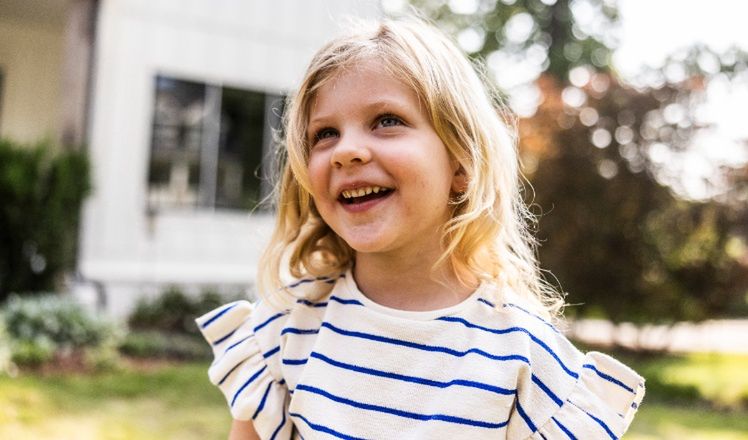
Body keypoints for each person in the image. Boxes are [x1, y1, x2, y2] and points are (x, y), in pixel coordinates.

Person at [196, 17, 645, 440]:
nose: (346, 150)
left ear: (462, 164)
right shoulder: (287, 326)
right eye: (324, 134)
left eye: (387, 121)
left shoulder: (525, 359)